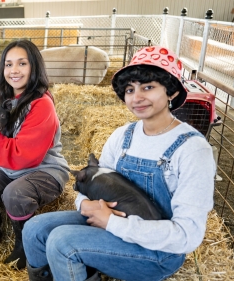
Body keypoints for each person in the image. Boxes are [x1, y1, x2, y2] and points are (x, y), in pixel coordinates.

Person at [22, 45, 215, 281]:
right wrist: (84, 205)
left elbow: (187, 236)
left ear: (172, 92)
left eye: (148, 87)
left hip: (158, 250)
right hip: (112, 223)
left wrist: (112, 223)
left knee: (62, 241)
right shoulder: (124, 136)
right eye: (130, 89)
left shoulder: (192, 149)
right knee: (34, 229)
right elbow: (96, 184)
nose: (137, 97)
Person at [0, 39, 70, 270]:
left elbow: (24, 156)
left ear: (34, 67)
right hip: (9, 167)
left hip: (43, 170)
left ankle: (25, 246)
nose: (14, 70)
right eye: (9, 64)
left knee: (15, 193)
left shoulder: (41, 105)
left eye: (22, 63)